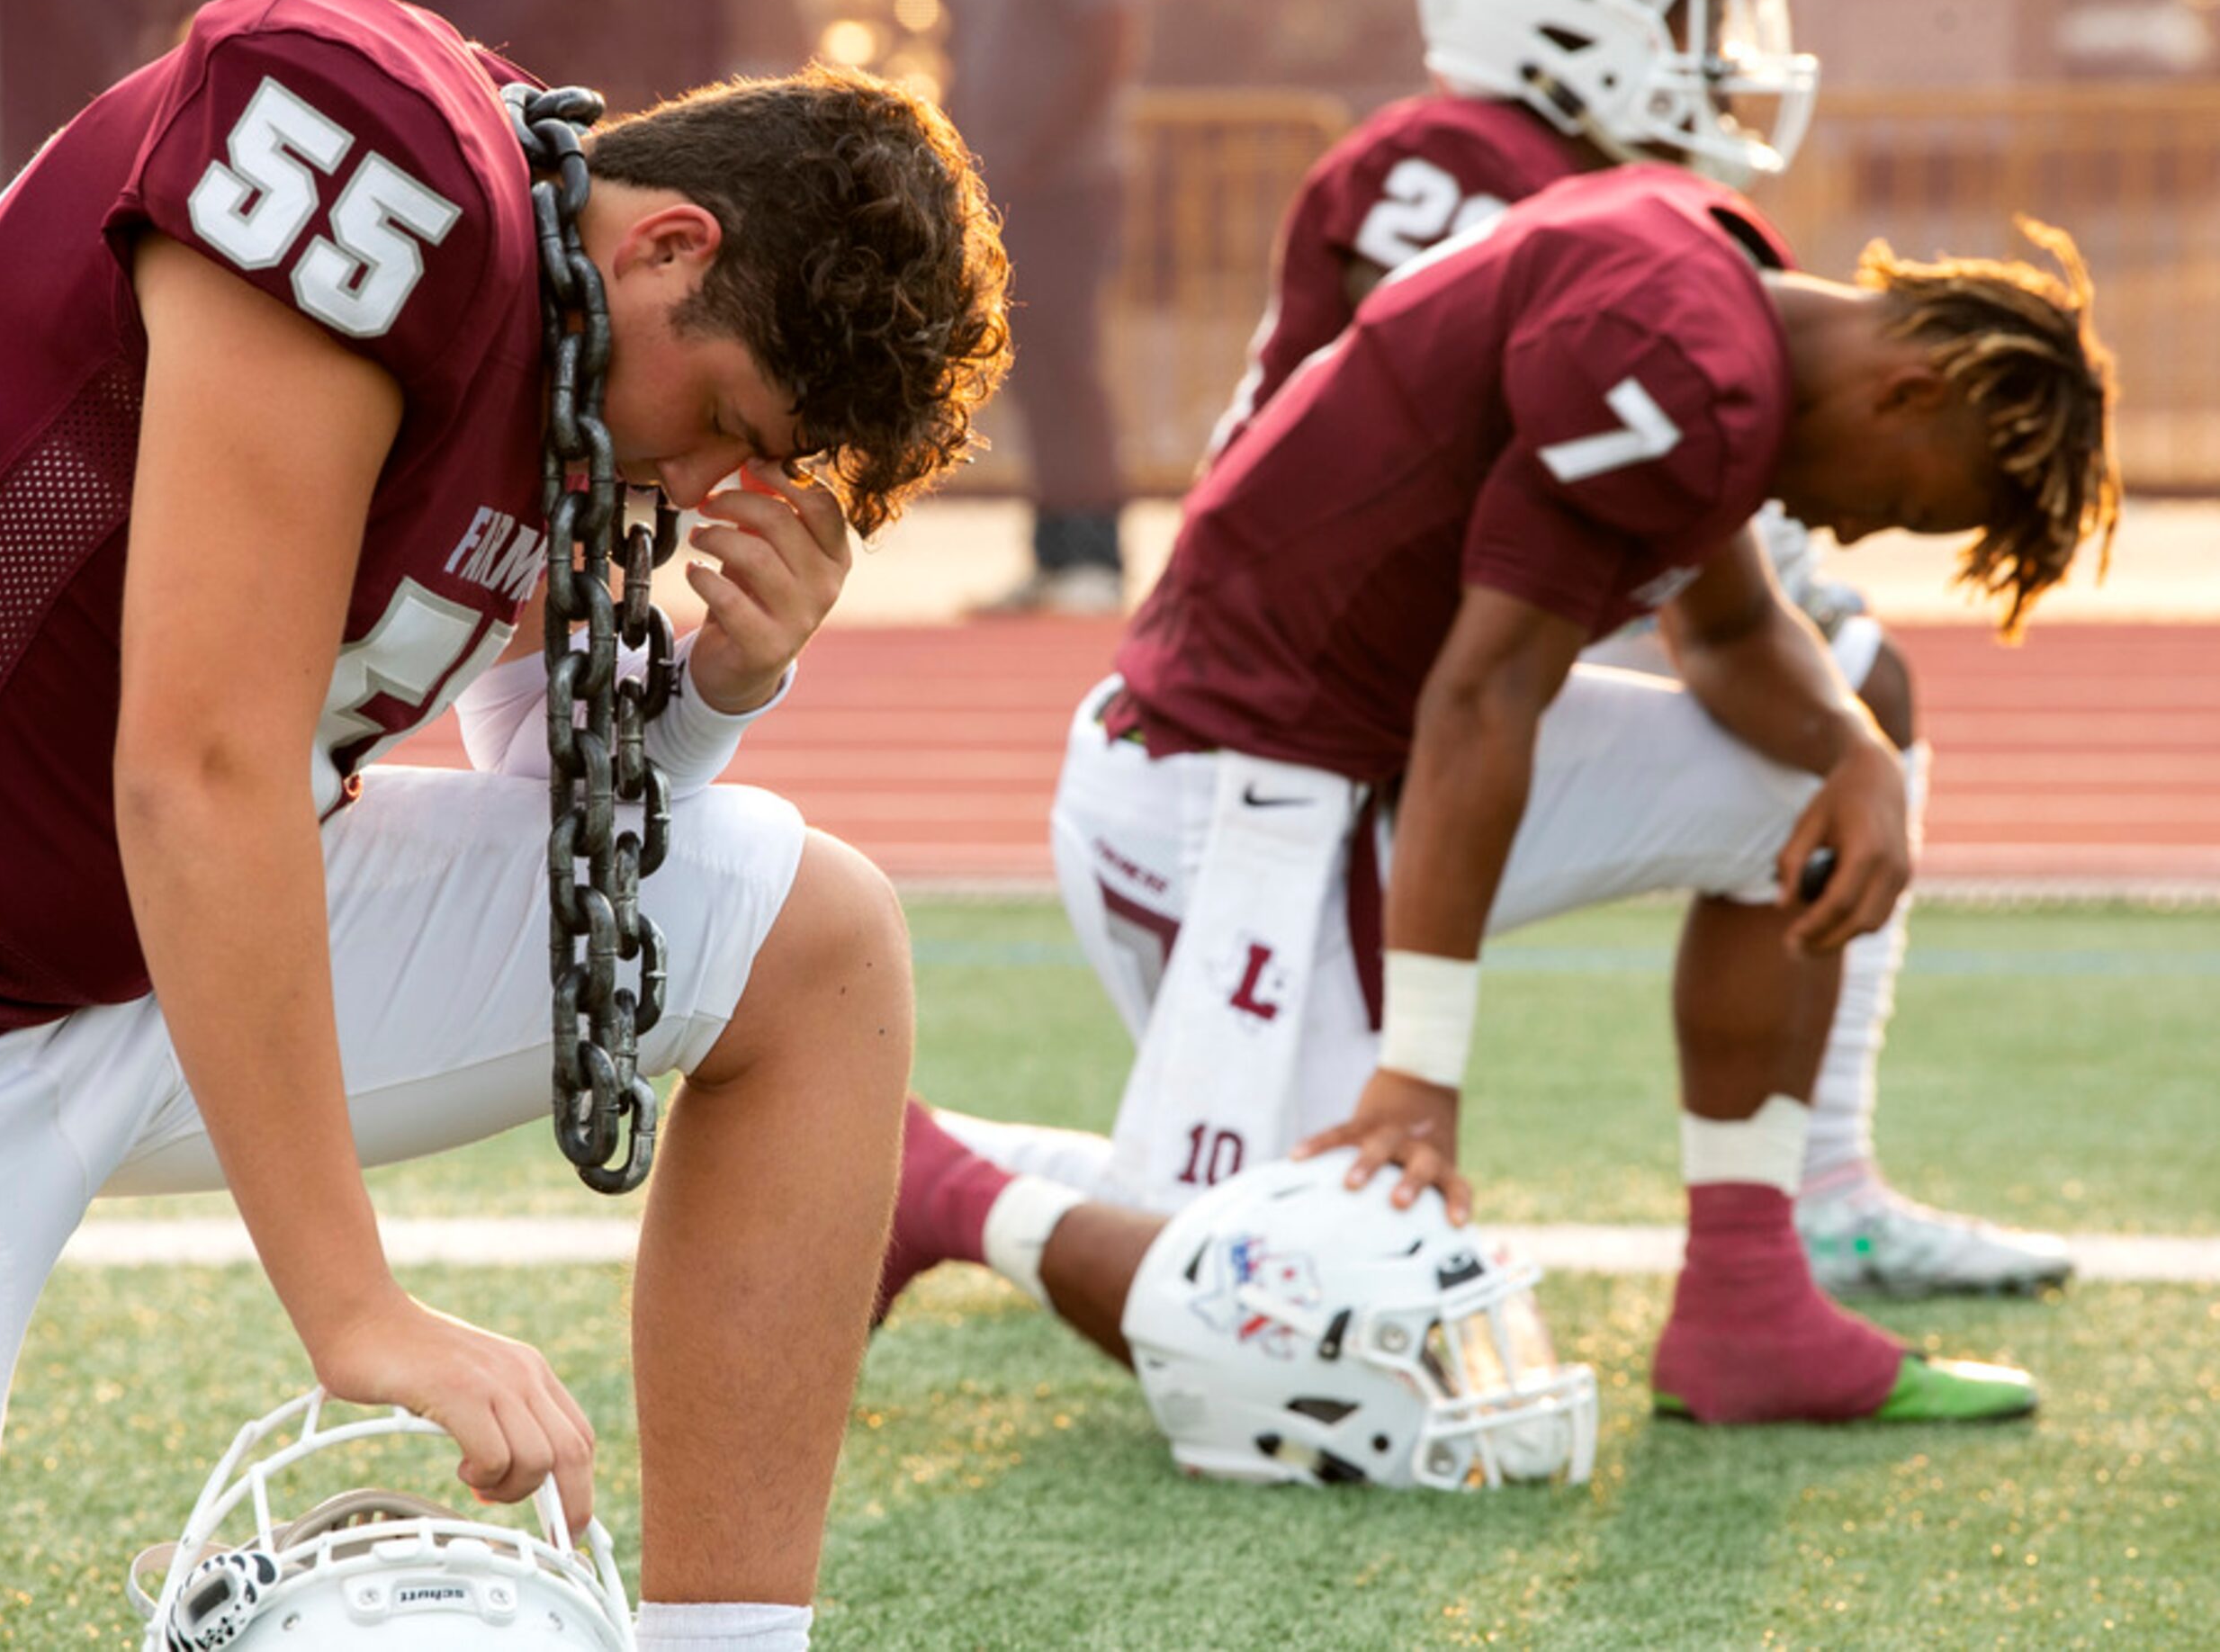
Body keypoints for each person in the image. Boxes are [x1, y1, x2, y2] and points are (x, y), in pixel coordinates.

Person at [0, 0, 1009, 1648]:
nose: (694, 485)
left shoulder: (585, 365)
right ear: (671, 245)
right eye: (729, 425)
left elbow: (561, 817)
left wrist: (723, 685)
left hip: (134, 964)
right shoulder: (373, 144)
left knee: (808, 939)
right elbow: (199, 758)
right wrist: (355, 1301)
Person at [877, 162, 2118, 1435]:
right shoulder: (1678, 356)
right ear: (1909, 390)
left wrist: (1857, 752)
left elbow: (1737, 633)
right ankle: (934, 1180)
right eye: (1902, 504)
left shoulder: (1715, 298)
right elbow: (1484, 697)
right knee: (1290, 1330)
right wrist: (1422, 1072)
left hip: (1360, 773)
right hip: (1219, 789)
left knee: (1781, 789)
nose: (1854, 536)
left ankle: (1746, 1302)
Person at [1209, 0, 2072, 1294]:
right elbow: (1527, 468)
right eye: (1692, 13)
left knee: (1840, 702)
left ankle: (1811, 1194)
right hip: (1313, 676)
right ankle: (962, 1187)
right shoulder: (1461, 154)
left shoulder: (1639, 190)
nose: (1723, 51)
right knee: (1273, 1258)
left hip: (1446, 612)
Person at [939, 0, 1145, 615]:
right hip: (995, 187)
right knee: (1027, 368)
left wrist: (1045, 152)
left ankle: (1094, 554)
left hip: (1066, 185)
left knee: (1070, 362)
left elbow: (1112, 33)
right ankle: (1054, 553)